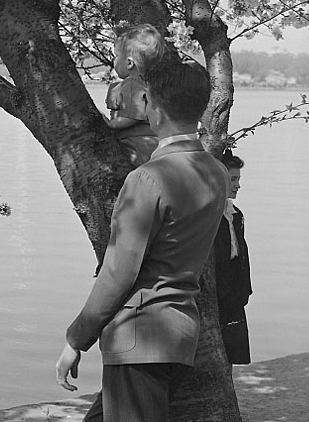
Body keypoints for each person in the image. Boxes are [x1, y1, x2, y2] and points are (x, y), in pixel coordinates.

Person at [56, 58, 229, 422]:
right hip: (179, 331)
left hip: (140, 334)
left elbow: (118, 272)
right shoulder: (215, 171)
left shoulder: (148, 179)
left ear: (155, 107)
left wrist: (76, 340)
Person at [104, 23, 166, 166]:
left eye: (116, 56)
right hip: (154, 142)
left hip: (137, 144)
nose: (114, 61)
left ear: (129, 63)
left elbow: (132, 117)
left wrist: (110, 125)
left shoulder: (132, 84)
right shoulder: (152, 83)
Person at [214, 150, 252, 365]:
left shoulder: (235, 214)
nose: (238, 185)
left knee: (231, 357)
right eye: (233, 179)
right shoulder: (209, 216)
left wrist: (244, 291)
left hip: (234, 297)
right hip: (218, 295)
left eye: (238, 179)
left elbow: (241, 258)